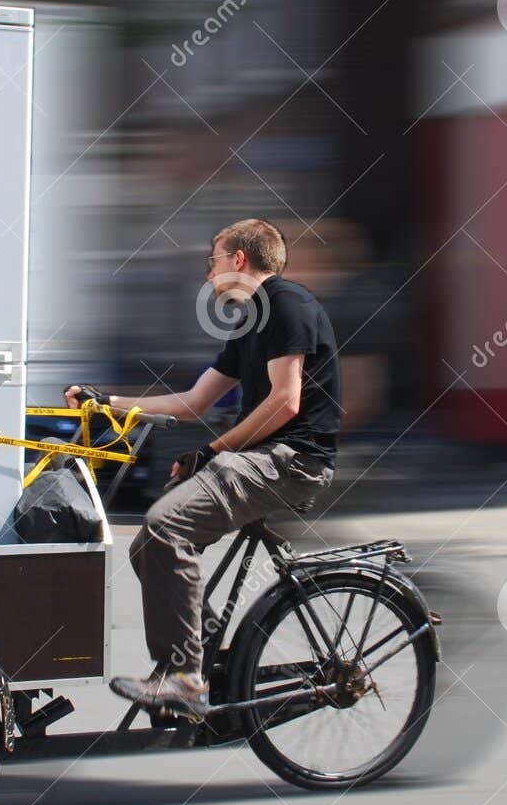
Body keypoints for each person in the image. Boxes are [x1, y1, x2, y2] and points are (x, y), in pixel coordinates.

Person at [64, 218, 342, 719]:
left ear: (239, 259)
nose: (208, 272)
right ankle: (204, 661)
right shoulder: (252, 320)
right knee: (150, 545)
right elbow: (193, 402)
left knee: (166, 526)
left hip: (292, 461)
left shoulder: (288, 304)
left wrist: (215, 450)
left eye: (212, 260)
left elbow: (285, 402)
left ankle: (184, 677)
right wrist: (108, 402)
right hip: (256, 459)